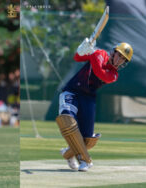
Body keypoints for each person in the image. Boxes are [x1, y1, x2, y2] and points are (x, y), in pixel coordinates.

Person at [55, 38, 133, 171]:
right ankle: (86, 160)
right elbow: (77, 58)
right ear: (113, 52)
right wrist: (82, 48)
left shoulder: (114, 75)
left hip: (88, 97)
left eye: (123, 59)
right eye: (119, 55)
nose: (119, 60)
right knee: (67, 119)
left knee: (88, 140)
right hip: (72, 91)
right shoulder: (101, 54)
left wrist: (92, 53)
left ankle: (68, 154)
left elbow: (100, 73)